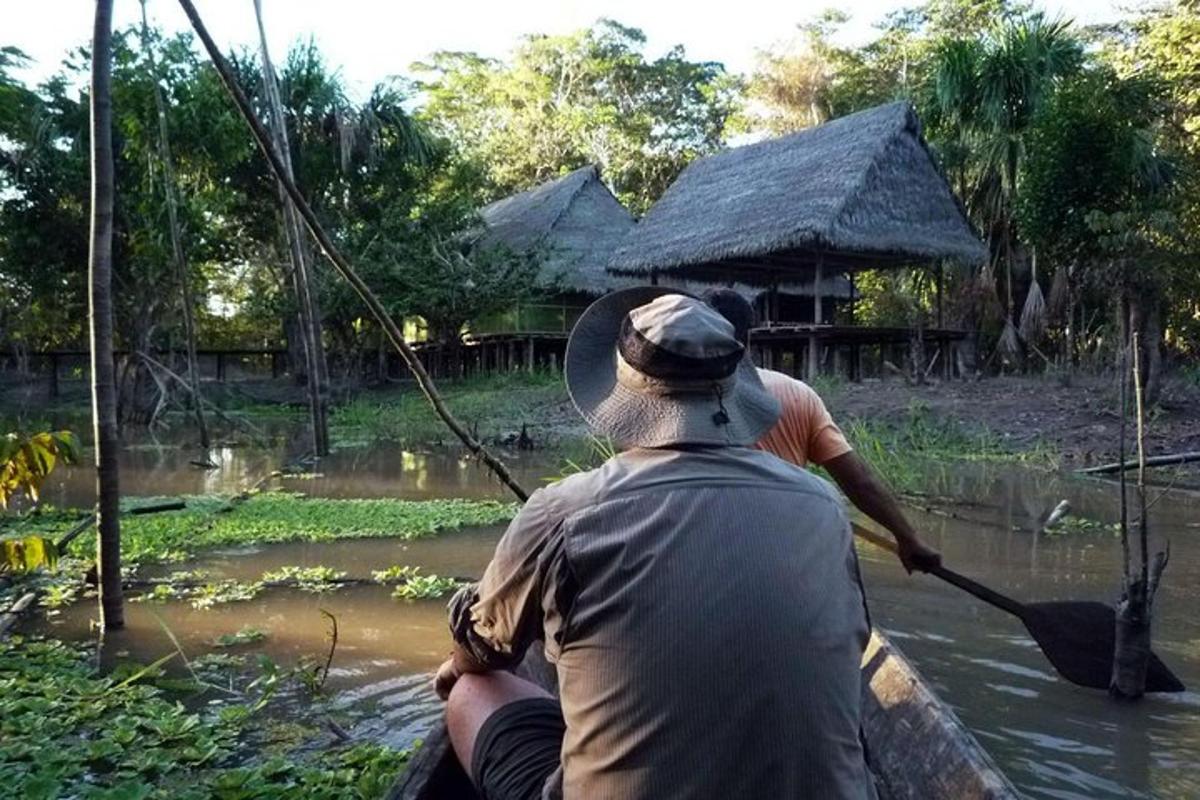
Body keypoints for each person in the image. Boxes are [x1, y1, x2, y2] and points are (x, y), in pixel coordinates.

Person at [435, 288, 878, 800]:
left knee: (472, 690)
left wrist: (456, 668)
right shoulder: (822, 503)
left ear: (624, 396)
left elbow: (482, 649)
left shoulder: (564, 512)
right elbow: (856, 635)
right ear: (732, 390)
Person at [703, 288, 941, 574]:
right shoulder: (796, 393)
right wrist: (907, 537)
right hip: (790, 549)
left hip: (714, 551)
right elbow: (859, 482)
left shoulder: (678, 401)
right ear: (750, 336)